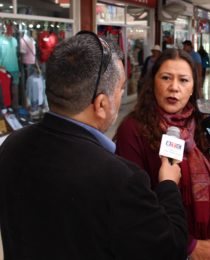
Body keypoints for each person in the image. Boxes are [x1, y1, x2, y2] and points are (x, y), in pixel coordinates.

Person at [0, 32, 187, 260]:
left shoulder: (12, 146)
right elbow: (170, 248)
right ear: (100, 104)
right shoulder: (120, 179)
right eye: (120, 90)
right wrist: (168, 184)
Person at [114, 48, 210, 260]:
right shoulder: (132, 129)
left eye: (184, 80)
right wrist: (189, 246)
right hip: (158, 245)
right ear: (153, 83)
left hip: (207, 243)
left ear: (193, 88)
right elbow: (136, 202)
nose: (174, 87)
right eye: (166, 78)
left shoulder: (207, 124)